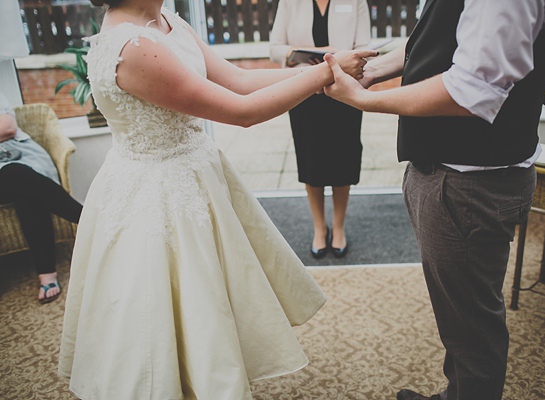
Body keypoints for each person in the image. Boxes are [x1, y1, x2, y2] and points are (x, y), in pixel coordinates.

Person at [57, 0, 377, 398]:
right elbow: (243, 111)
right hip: (160, 192)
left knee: (212, 300)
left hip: (196, 176)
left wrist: (318, 73)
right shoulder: (134, 46)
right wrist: (328, 72)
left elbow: (240, 81)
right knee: (169, 305)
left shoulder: (167, 21)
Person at [323, 0, 545, 399]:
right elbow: (446, 39)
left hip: (466, 185)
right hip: (460, 178)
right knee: (462, 318)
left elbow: (472, 91)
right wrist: (373, 69)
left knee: (473, 328)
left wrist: (363, 101)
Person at [270, 0, 371, 258]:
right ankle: (318, 227)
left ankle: (338, 227)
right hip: (304, 91)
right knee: (310, 160)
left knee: (344, 160)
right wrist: (314, 52)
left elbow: (364, 48)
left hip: (344, 91)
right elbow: (275, 49)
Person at [0, 91, 82, 304]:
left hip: (18, 161)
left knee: (21, 183)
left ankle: (47, 273)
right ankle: (85, 218)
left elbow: (7, 128)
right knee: (18, 177)